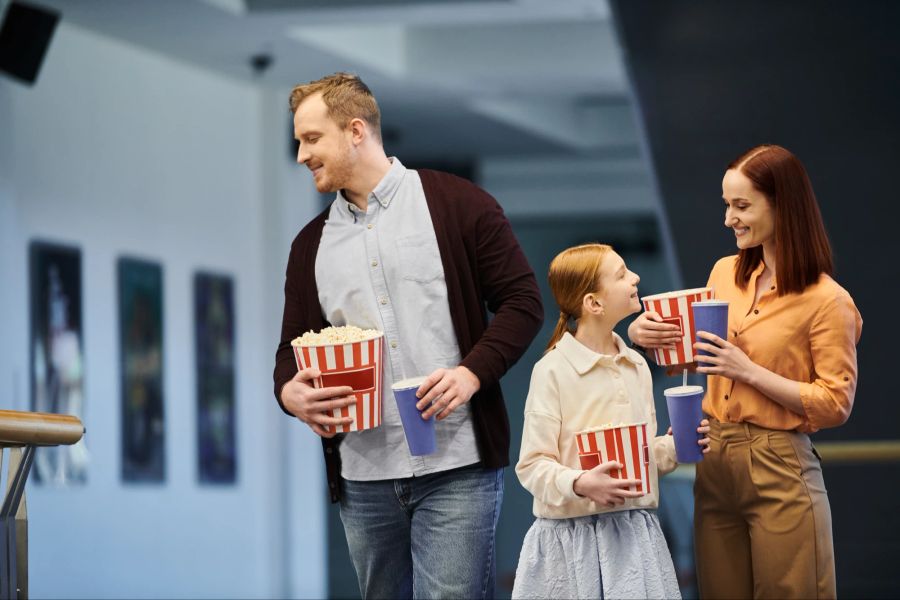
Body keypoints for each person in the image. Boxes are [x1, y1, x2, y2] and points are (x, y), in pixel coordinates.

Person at [272, 72, 543, 599]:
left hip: (458, 464)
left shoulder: (460, 205)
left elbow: (522, 302)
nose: (300, 153)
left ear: (355, 131)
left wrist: (471, 374)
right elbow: (289, 350)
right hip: (363, 474)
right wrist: (290, 393)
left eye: (310, 138)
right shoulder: (310, 245)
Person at [628, 144, 862, 598]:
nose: (728, 219)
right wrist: (647, 335)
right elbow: (699, 357)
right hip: (714, 458)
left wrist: (749, 371)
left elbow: (836, 403)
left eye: (741, 206)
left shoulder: (827, 300)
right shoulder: (724, 273)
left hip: (779, 464)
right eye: (726, 205)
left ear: (783, 206)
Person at [513, 243, 710, 600]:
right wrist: (581, 482)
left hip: (635, 538)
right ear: (594, 304)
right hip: (572, 544)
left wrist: (676, 446)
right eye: (621, 274)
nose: (635, 278)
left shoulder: (636, 366)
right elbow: (531, 466)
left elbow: (641, 458)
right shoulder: (552, 371)